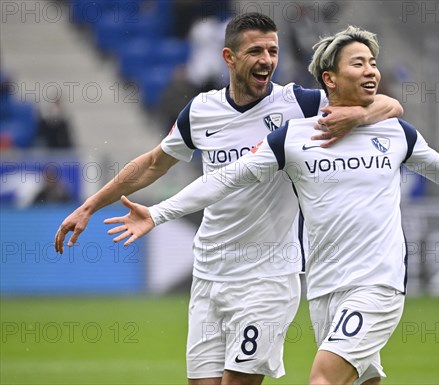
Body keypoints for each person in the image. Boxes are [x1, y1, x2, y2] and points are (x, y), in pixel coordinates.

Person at [103, 26, 439, 385]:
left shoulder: (396, 132)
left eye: (373, 62)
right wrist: (158, 212)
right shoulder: (291, 136)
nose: (371, 70)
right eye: (359, 63)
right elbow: (225, 179)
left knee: (323, 380)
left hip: (377, 284)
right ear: (329, 78)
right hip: (325, 288)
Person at [54, 14, 403, 385]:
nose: (267, 59)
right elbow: (154, 163)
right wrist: (91, 205)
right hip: (209, 276)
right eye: (255, 50)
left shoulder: (299, 105)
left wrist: (358, 112)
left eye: (273, 50)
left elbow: (391, 107)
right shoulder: (201, 111)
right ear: (229, 57)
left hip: (268, 277)